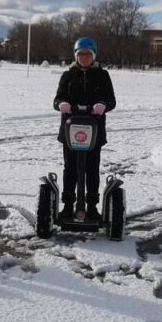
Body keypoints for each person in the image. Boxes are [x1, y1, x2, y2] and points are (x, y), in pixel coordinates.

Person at [53, 37, 116, 220]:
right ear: (76, 55)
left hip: (94, 130)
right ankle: (68, 206)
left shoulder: (102, 76)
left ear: (94, 55)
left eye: (88, 54)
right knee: (70, 168)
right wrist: (62, 104)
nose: (85, 57)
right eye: (81, 54)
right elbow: (57, 99)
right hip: (70, 129)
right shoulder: (68, 75)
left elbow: (111, 101)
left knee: (92, 168)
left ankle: (91, 207)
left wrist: (103, 105)